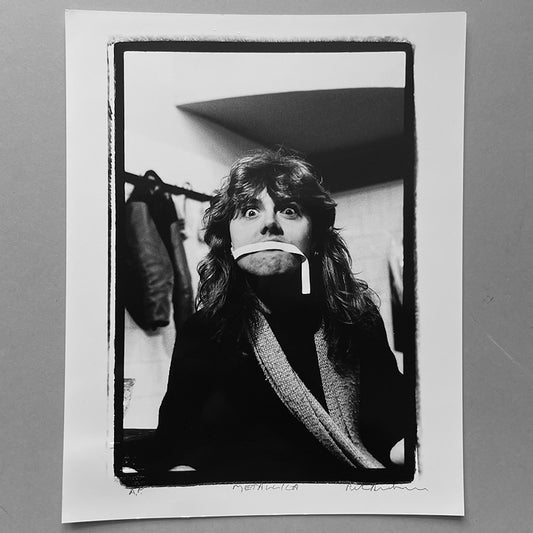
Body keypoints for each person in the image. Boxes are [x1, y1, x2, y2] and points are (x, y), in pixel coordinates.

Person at [149, 149, 406, 482]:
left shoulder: (357, 318)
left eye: (289, 210)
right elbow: (175, 445)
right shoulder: (205, 330)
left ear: (315, 236)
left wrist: (409, 448)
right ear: (228, 238)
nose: (269, 223)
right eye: (249, 211)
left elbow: (393, 421)